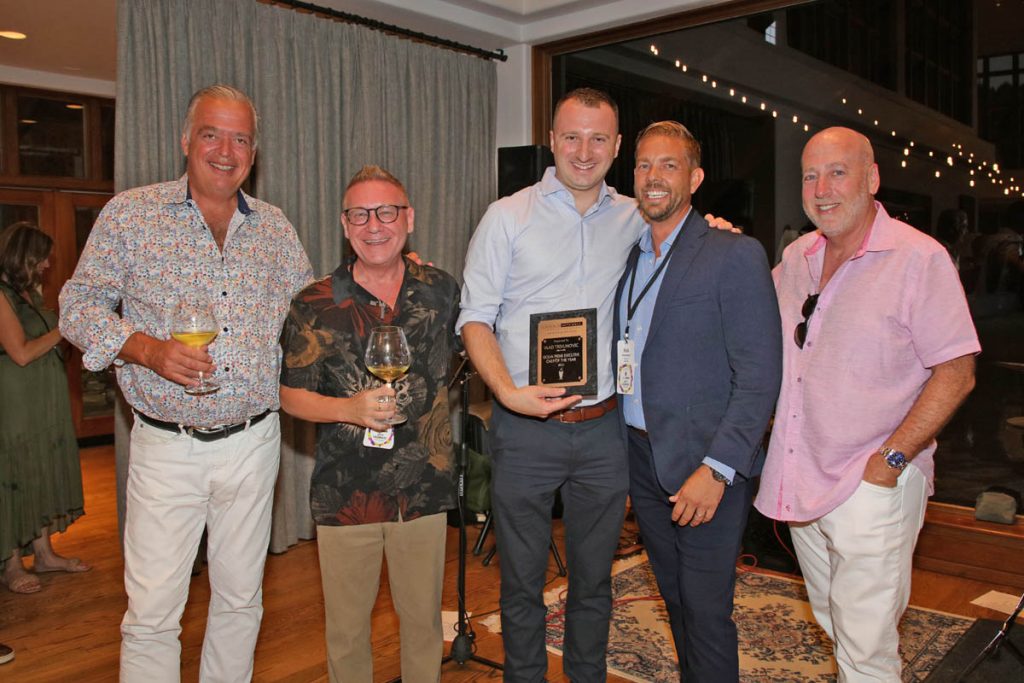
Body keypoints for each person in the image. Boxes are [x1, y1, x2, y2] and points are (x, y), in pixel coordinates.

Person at [59, 84, 313, 682]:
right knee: (151, 613)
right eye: (211, 134)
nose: (226, 150)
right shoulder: (131, 212)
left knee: (240, 600)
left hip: (254, 443)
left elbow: (310, 317)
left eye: (240, 138)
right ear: (186, 140)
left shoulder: (275, 228)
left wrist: (386, 281)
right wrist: (144, 349)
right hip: (166, 445)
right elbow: (77, 305)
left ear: (254, 150)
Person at [754, 127, 979, 682]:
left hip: (871, 484)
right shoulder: (796, 257)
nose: (822, 188)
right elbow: (740, 308)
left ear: (872, 178)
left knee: (866, 647)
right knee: (837, 623)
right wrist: (713, 241)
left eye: (838, 172)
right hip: (801, 478)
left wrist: (891, 462)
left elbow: (958, 372)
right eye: (810, 175)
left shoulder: (917, 258)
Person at [615, 122, 781, 681]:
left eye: (669, 165)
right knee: (677, 603)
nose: (654, 177)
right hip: (644, 458)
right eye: (643, 165)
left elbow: (760, 376)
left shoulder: (733, 253)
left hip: (706, 466)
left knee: (707, 612)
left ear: (695, 177)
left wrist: (718, 469)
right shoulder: (630, 257)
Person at [279, 165, 459, 682]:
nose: (373, 224)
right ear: (344, 223)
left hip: (423, 487)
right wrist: (347, 409)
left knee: (424, 625)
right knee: (347, 632)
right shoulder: (313, 303)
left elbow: (481, 340)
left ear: (409, 219)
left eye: (386, 211)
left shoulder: (440, 290)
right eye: (360, 214)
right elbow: (290, 395)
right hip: (345, 490)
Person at [1, 222, 91, 595]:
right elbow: (20, 353)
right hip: (16, 399)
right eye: (41, 259)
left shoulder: (26, 296)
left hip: (43, 397)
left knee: (41, 465)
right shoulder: (1, 296)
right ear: (23, 256)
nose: (46, 265)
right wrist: (64, 327)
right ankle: (9, 565)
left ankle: (44, 553)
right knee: (15, 471)